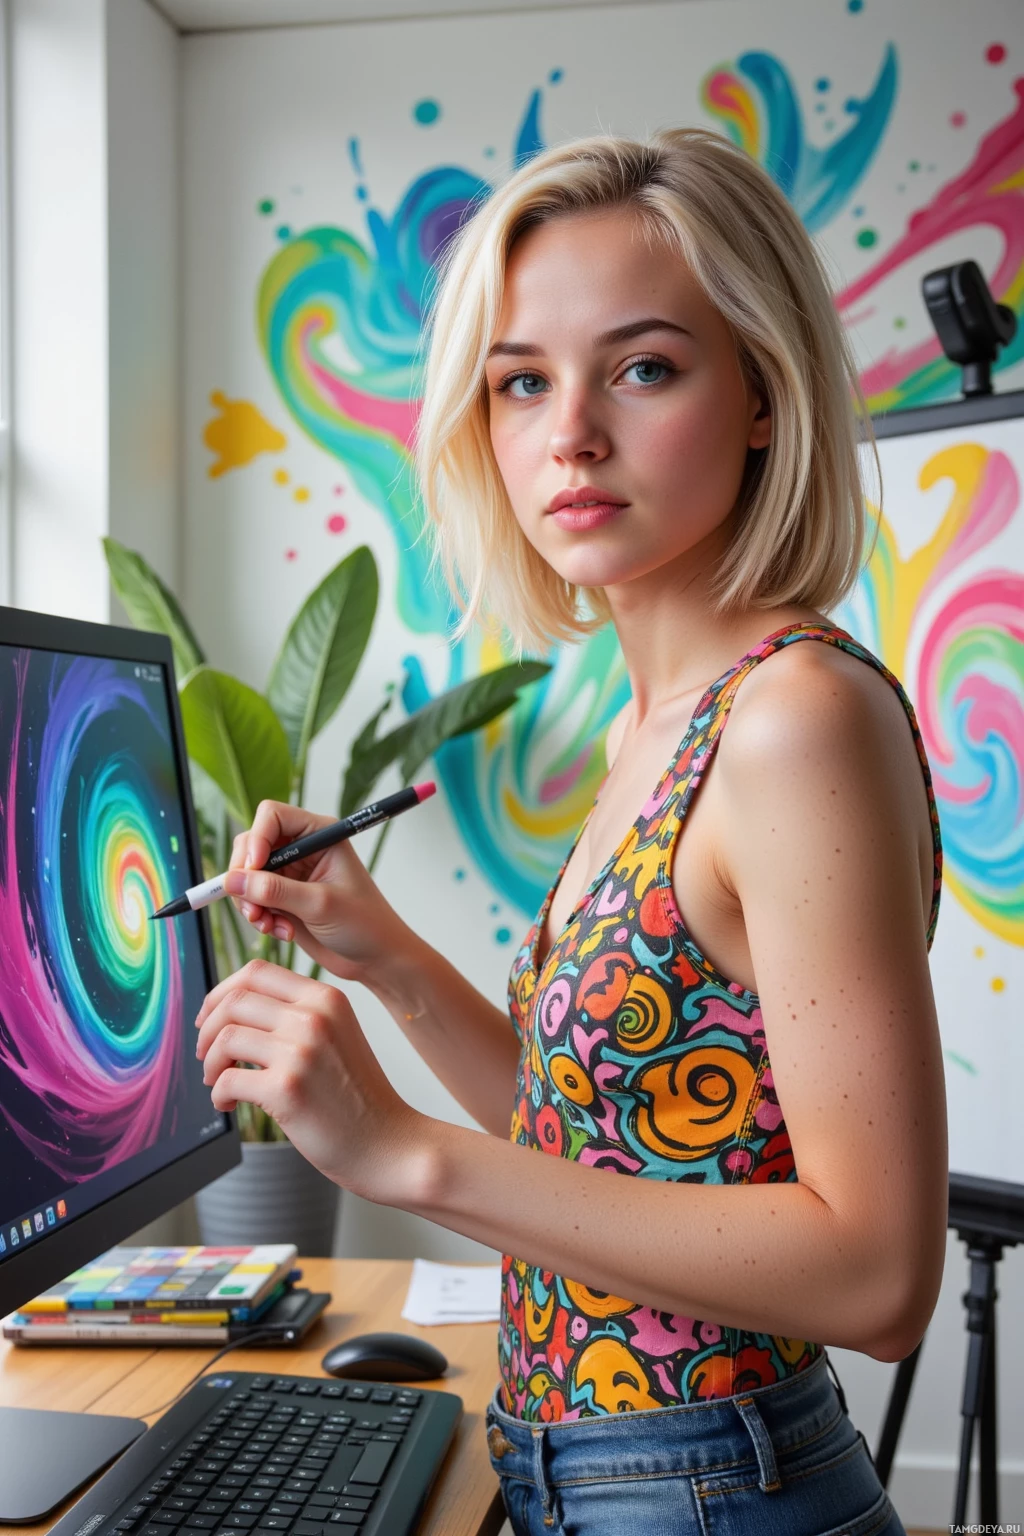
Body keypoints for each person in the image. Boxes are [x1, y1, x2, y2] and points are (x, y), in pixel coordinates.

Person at [195, 126, 947, 1536]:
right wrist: (393, 958)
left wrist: (402, 1150)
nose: (571, 434)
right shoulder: (658, 719)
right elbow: (616, 1154)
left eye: (644, 367)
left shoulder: (794, 719)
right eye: (521, 384)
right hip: (585, 1472)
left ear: (765, 395)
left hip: (711, 1488)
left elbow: (879, 1277)